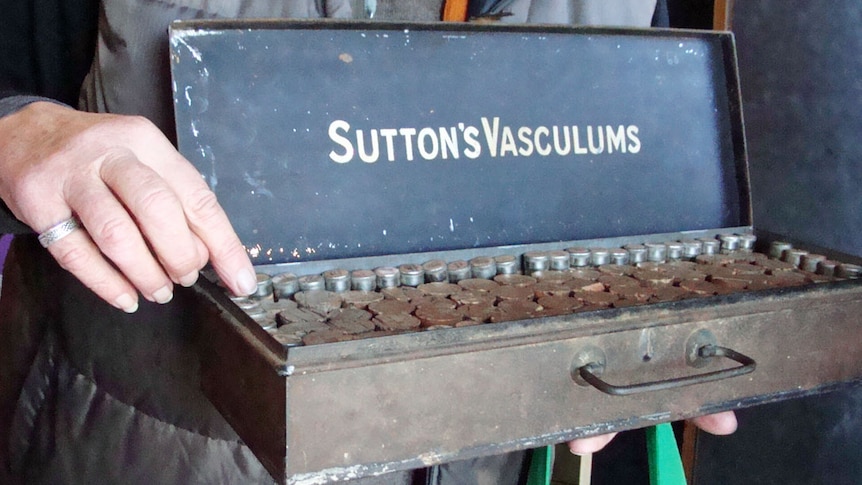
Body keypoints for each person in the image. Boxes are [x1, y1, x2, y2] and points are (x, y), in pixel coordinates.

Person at [0, 0, 736, 483]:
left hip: (486, 453)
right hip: (149, 447)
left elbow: (637, 144)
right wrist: (15, 131)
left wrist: (646, 312)